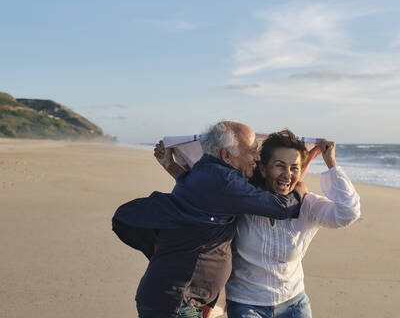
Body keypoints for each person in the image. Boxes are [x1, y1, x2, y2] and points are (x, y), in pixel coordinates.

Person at [156, 129, 361, 318]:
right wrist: (170, 164)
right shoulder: (242, 200)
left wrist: (331, 162)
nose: (287, 174)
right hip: (246, 305)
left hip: (294, 304)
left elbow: (348, 212)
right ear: (262, 168)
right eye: (280, 165)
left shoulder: (307, 205)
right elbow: (204, 192)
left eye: (294, 168)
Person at [112, 121, 306, 318]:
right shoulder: (227, 182)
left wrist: (170, 165)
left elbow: (201, 193)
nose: (257, 157)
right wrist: (299, 189)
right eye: (252, 151)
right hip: (177, 304)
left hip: (169, 299)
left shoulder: (204, 171)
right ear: (226, 155)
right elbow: (282, 207)